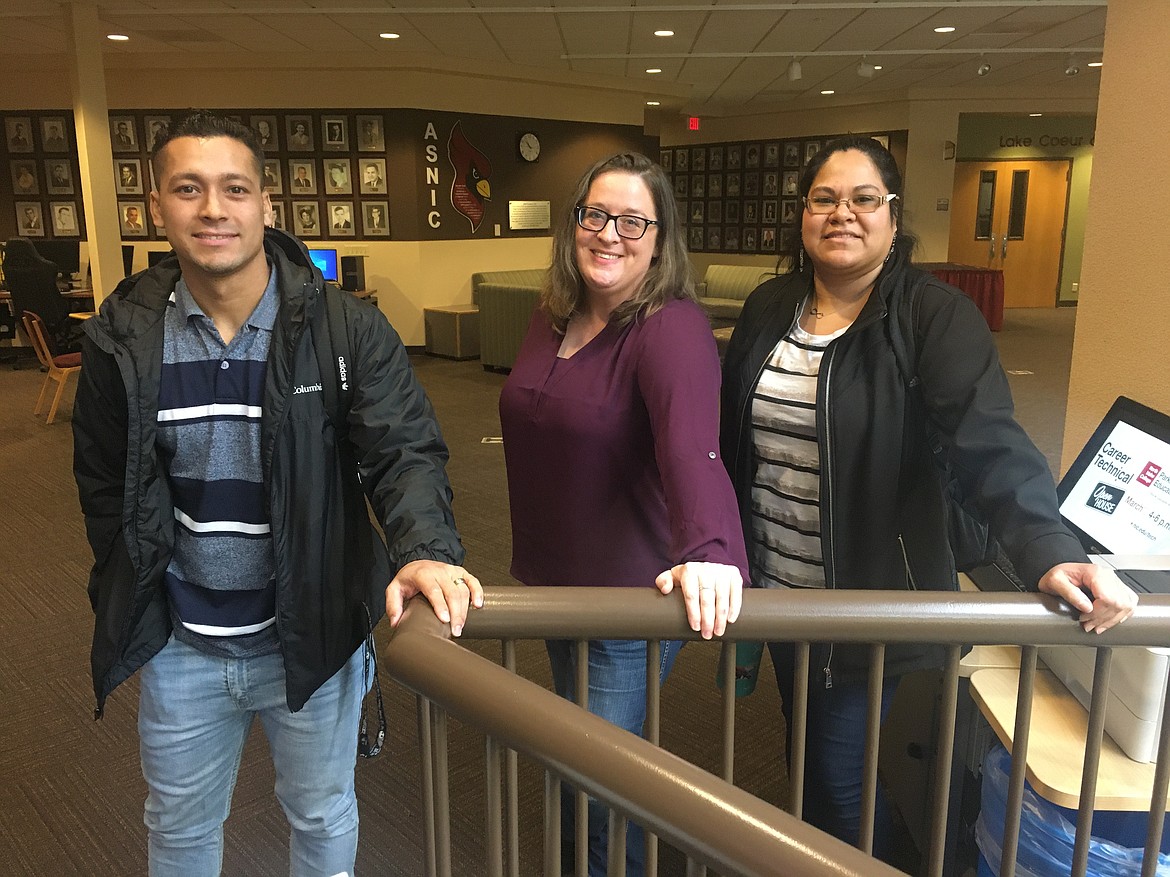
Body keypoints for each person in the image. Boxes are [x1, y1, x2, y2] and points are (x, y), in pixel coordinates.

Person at [72, 111, 482, 877]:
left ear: (266, 204)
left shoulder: (341, 327)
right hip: (180, 644)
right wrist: (133, 583)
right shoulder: (123, 338)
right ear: (157, 207)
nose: (213, 209)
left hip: (313, 634)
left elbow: (405, 449)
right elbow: (102, 482)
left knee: (322, 815)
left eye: (234, 188)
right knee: (180, 828)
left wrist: (425, 550)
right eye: (187, 189)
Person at [719, 135, 1138, 861]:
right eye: (824, 198)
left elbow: (991, 441)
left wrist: (1048, 546)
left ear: (891, 214)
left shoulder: (931, 316)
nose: (841, 213)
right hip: (777, 588)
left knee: (838, 781)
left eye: (862, 199)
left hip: (869, 597)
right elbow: (731, 434)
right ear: (803, 214)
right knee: (807, 757)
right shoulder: (769, 305)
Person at [498, 152, 749, 877]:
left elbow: (691, 447)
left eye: (633, 220)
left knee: (600, 785)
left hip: (622, 602)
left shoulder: (668, 327)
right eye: (596, 214)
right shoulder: (553, 315)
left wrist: (709, 547)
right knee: (580, 768)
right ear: (574, 224)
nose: (611, 232)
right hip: (550, 585)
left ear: (660, 236)